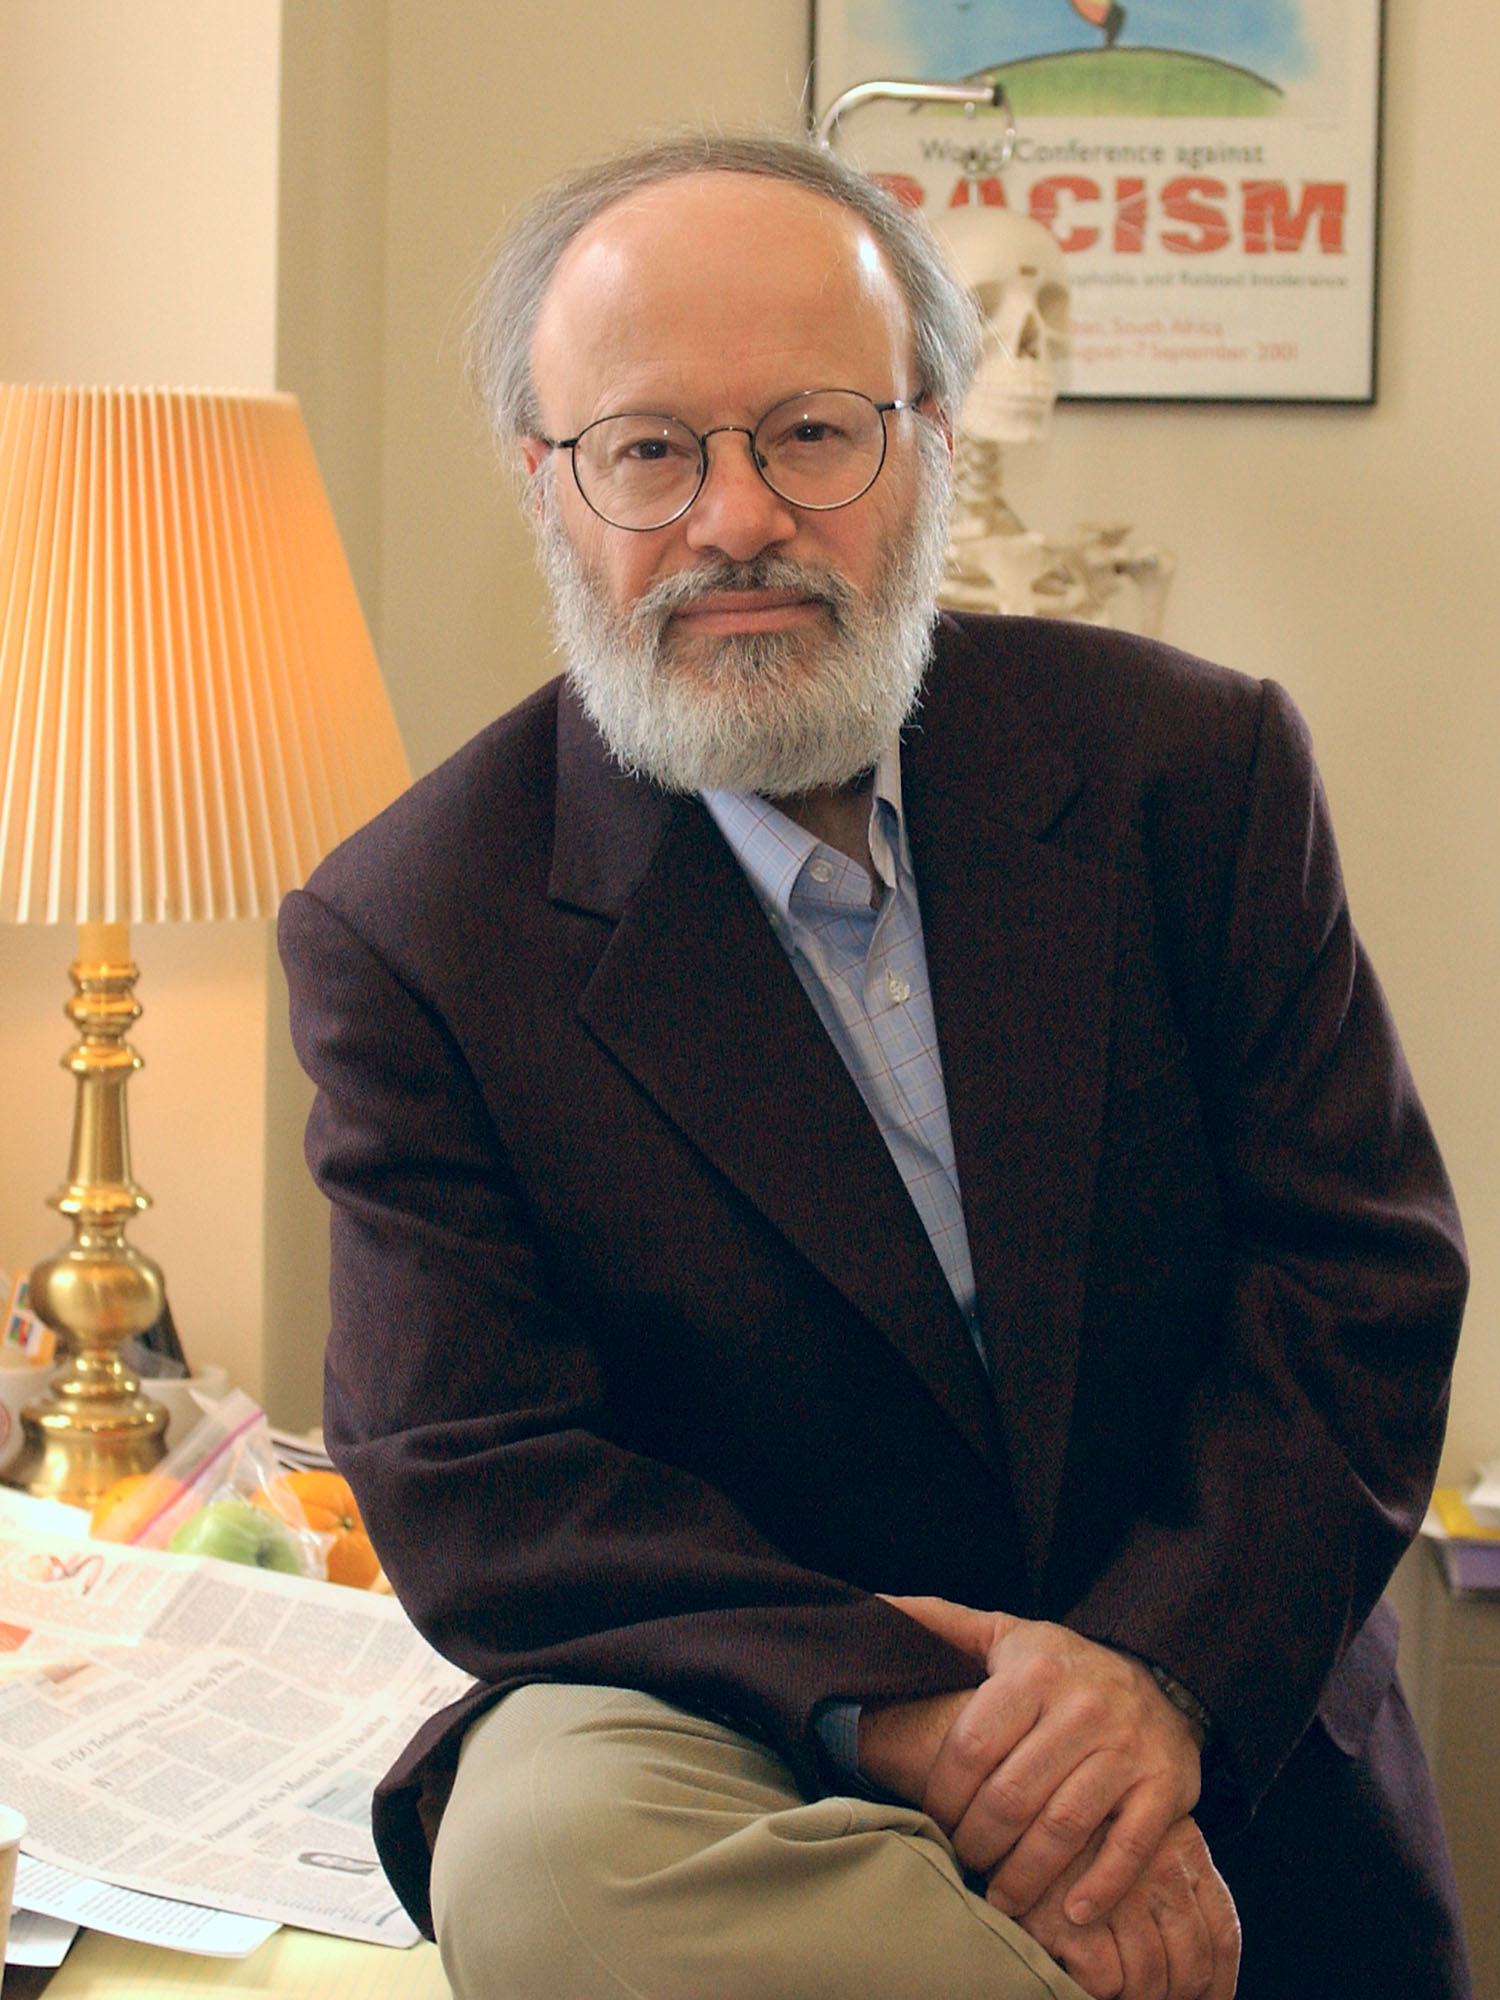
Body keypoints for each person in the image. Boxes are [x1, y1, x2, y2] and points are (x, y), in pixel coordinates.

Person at [278, 133, 1470, 2000]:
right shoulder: (416, 928)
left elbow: (1360, 1280)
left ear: (931, 445)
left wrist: (1149, 1691)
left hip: (1215, 1710)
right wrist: (933, 1725)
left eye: (814, 434)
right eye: (652, 450)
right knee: (539, 1848)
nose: (735, 518)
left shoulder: (1191, 769)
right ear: (547, 486)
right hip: (762, 1733)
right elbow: (479, 1479)